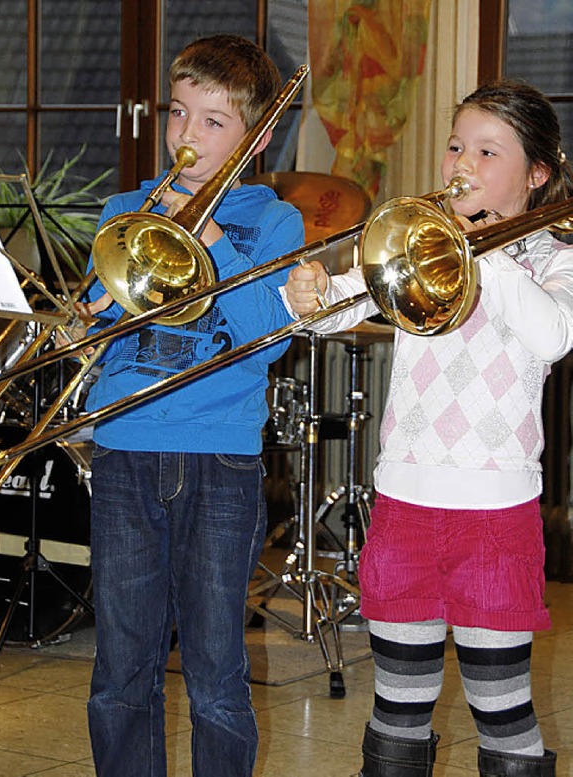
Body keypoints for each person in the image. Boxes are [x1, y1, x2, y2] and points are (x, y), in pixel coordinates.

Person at [283, 79, 573, 776]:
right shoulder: (420, 241)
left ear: (537, 174)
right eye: (454, 146)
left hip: (496, 520)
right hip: (405, 509)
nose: (460, 164)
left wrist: (488, 251)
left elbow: (553, 333)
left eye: (485, 151)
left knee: (502, 709)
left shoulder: (552, 260)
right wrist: (310, 296)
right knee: (397, 708)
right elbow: (340, 307)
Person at [76, 34, 304, 777]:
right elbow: (91, 334)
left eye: (213, 121)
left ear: (258, 136)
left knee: (215, 675)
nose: (185, 135)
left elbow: (270, 339)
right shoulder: (123, 208)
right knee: (121, 672)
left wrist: (212, 241)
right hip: (125, 449)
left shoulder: (273, 223)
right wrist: (101, 303)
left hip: (222, 457)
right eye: (179, 112)